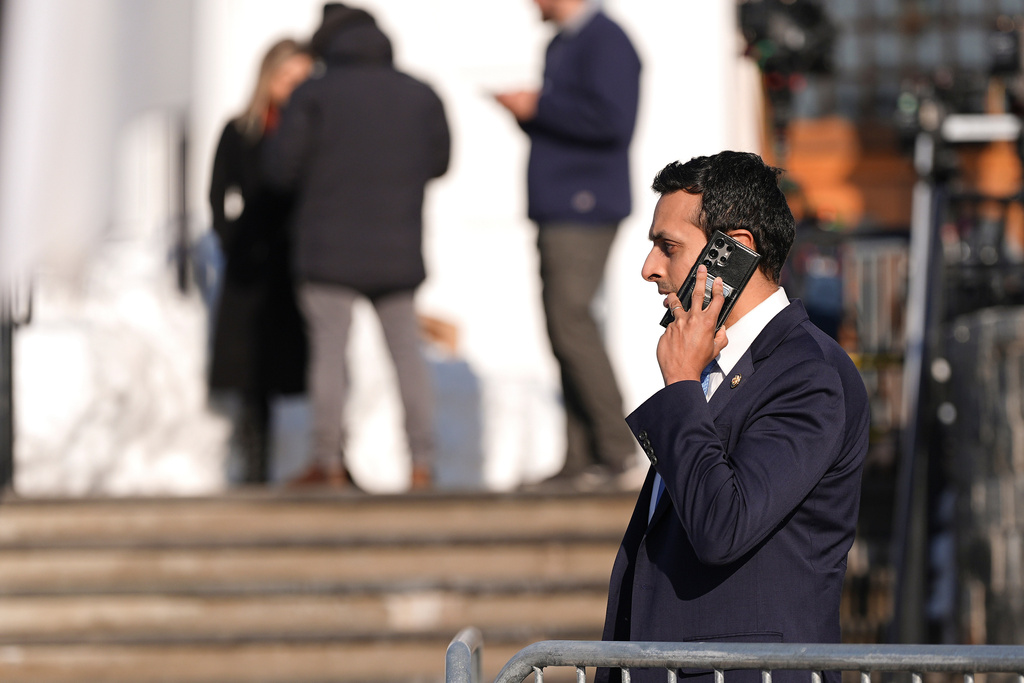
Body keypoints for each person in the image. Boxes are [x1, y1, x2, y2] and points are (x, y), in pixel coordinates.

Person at [598, 152, 870, 683]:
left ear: (733, 251)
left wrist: (679, 386)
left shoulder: (807, 375)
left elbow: (723, 526)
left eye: (668, 247)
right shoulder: (713, 365)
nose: (649, 267)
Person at [263, 3, 450, 491]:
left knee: (329, 355)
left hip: (326, 250)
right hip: (397, 250)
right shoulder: (420, 94)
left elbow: (280, 170)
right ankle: (421, 466)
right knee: (406, 354)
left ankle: (327, 463)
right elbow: (439, 161)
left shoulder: (313, 95)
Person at [494, 0, 642, 490]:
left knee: (571, 319)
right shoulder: (566, 42)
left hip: (584, 204)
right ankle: (582, 454)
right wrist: (531, 113)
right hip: (562, 205)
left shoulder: (606, 40)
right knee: (563, 327)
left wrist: (540, 106)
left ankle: (617, 447)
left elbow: (613, 120)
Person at [207, 38, 313, 484]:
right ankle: (254, 467)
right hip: (252, 265)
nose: (292, 88)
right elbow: (218, 192)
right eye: (286, 79)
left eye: (302, 80)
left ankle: (326, 459)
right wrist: (232, 237)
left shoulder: (313, 130)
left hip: (299, 260)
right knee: (253, 372)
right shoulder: (240, 130)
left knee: (305, 361)